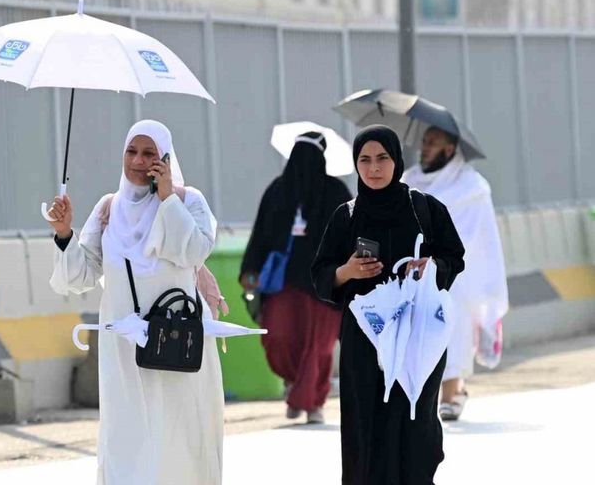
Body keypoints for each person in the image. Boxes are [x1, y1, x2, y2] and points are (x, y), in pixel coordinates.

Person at [48, 120, 224, 485]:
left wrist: (166, 198)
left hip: (179, 342)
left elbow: (192, 251)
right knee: (127, 440)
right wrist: (65, 233)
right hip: (125, 350)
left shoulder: (189, 201)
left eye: (149, 154)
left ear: (166, 159)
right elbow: (79, 277)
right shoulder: (109, 208)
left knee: (181, 439)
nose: (139, 161)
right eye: (132, 152)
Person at [311, 125, 465, 484]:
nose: (374, 168)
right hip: (365, 340)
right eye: (364, 160)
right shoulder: (346, 216)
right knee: (366, 425)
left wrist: (432, 267)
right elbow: (320, 274)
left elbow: (455, 257)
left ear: (396, 161)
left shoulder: (425, 209)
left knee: (416, 423)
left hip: (418, 336)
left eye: (382, 158)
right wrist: (347, 271)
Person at [239, 131, 352, 423]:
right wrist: (250, 270)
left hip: (324, 283)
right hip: (283, 281)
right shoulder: (277, 190)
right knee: (278, 336)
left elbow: (350, 235)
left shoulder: (336, 192)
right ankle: (294, 384)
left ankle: (313, 403)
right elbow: (260, 233)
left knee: (320, 345)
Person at [402, 126, 508, 421]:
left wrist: (442, 255)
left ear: (450, 150)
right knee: (418, 336)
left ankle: (452, 391)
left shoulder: (472, 187)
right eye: (424, 142)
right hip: (416, 273)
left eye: (432, 143)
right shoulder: (409, 181)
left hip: (456, 275)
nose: (424, 148)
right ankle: (427, 395)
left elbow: (479, 237)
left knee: (455, 328)